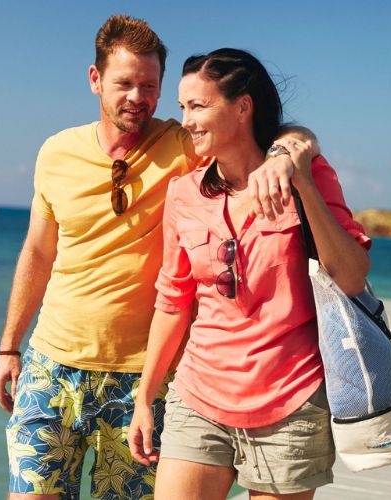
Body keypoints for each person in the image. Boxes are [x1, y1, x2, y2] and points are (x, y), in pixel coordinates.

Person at [0, 16, 303, 500]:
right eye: (125, 83)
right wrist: (9, 347)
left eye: (150, 86)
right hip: (51, 365)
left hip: (143, 381)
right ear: (95, 80)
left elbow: (275, 132)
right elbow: (37, 252)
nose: (138, 97)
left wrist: (285, 151)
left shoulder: (183, 146)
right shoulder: (56, 153)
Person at [127, 48, 371, 499]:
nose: (186, 120)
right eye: (182, 107)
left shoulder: (308, 172)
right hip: (198, 395)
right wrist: (145, 398)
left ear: (242, 107)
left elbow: (352, 277)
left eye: (198, 106)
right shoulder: (184, 194)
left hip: (292, 402)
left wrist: (301, 181)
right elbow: (173, 301)